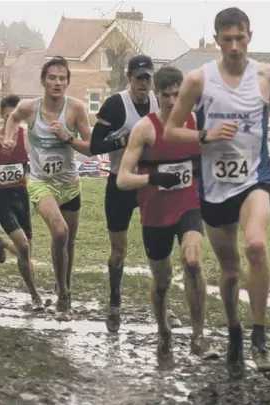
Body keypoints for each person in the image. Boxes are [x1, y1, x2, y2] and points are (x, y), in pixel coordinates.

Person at [164, 7, 270, 378]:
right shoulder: (198, 80)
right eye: (227, 40)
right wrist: (205, 135)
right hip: (215, 186)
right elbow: (171, 130)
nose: (235, 46)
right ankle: (235, 331)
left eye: (240, 38)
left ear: (250, 37)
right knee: (229, 269)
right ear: (216, 41)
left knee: (255, 246)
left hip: (255, 179)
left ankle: (259, 335)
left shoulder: (268, 73)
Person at [116, 66, 219, 360]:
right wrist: (153, 179)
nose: (173, 101)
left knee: (193, 260)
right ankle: (163, 330)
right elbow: (123, 179)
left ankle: (199, 336)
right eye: (167, 95)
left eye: (178, 94)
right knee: (162, 280)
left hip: (189, 205)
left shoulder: (197, 122)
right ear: (156, 95)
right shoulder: (145, 129)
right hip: (155, 214)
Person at [0, 56, 92, 321]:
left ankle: (65, 290)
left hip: (70, 185)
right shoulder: (30, 108)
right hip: (41, 184)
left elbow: (92, 145)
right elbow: (13, 118)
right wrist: (8, 138)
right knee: (60, 232)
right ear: (43, 81)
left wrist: (68, 138)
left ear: (68, 82)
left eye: (62, 78)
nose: (57, 82)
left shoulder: (76, 109)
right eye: (52, 77)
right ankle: (63, 292)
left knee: (69, 243)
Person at [90, 54, 162, 333]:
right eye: (139, 78)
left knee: (155, 247)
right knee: (119, 249)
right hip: (119, 182)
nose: (144, 84)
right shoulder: (115, 105)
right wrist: (125, 139)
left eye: (147, 78)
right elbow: (96, 144)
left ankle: (159, 303)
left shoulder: (159, 102)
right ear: (129, 78)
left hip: (147, 183)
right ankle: (115, 300)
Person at [0, 95, 44, 312]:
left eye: (17, 116)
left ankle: (2, 244)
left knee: (26, 251)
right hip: (1, 198)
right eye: (10, 115)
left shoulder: (26, 138)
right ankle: (35, 296)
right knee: (23, 247)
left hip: (21, 195)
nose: (14, 120)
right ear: (2, 114)